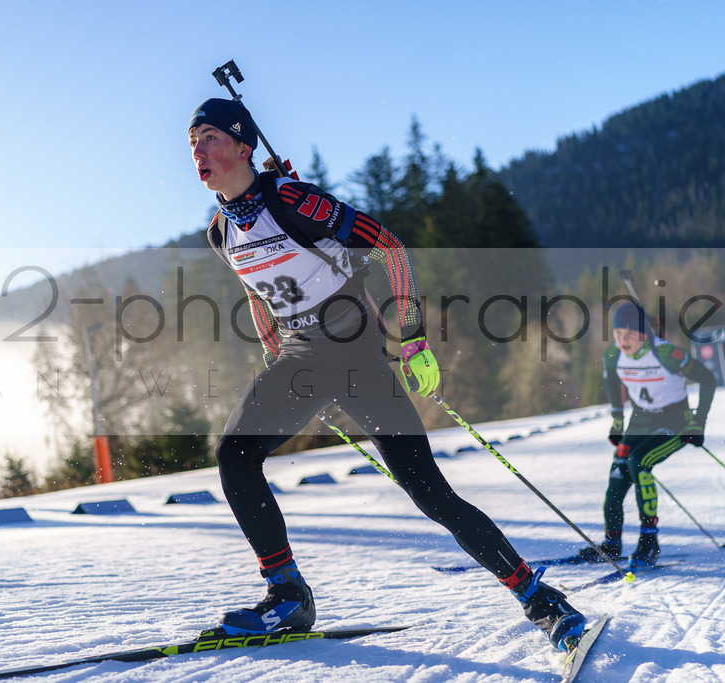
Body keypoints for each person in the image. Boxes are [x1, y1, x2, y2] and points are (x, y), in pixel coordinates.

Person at [188, 97, 589, 650]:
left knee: (430, 495)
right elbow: (255, 290)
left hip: (354, 356)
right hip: (302, 357)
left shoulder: (291, 200)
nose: (198, 151)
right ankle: (287, 597)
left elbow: (389, 247)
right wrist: (270, 343)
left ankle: (540, 599)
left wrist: (415, 336)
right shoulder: (219, 232)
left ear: (241, 145)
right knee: (234, 455)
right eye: (191, 143)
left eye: (209, 137)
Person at [579, 301, 717, 568]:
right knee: (618, 473)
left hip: (675, 420)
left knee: (639, 462)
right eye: (618, 333)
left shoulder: (667, 354)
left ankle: (649, 540)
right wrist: (617, 421)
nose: (623, 340)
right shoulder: (613, 356)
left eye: (630, 333)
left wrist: (698, 423)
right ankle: (612, 542)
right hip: (640, 419)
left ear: (644, 333)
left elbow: (707, 379)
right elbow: (610, 380)